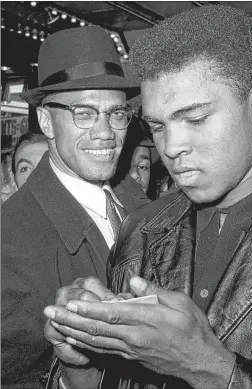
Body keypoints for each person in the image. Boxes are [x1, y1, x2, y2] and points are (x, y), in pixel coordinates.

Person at [44, 5, 252, 389]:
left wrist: (209, 368)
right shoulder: (140, 232)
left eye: (196, 118)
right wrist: (81, 362)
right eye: (157, 126)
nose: (171, 147)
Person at [1, 26, 140, 389]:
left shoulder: (141, 202)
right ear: (46, 121)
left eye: (117, 114)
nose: (105, 133)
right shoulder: (11, 242)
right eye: (84, 113)